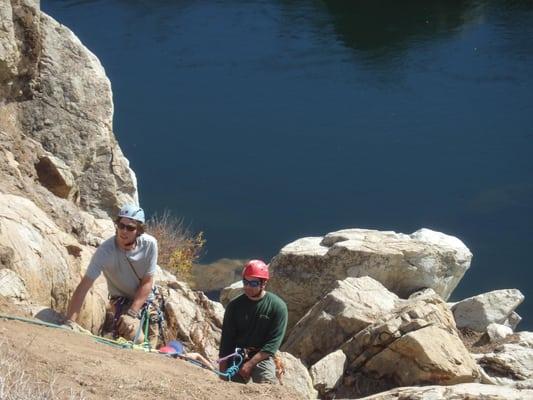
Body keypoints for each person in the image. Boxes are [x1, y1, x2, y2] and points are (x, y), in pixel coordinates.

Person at [64, 204, 163, 347]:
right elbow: (84, 285)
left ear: (139, 230)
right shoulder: (105, 251)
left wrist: (132, 313)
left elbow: (147, 282)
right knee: (138, 341)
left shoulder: (149, 245)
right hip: (121, 301)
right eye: (121, 225)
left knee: (153, 346)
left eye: (130, 228)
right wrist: (69, 322)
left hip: (145, 300)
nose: (124, 231)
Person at [218, 259, 288, 384]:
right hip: (238, 353)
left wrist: (250, 364)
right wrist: (222, 373)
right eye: (246, 282)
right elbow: (227, 339)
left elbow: (273, 344)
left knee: (266, 386)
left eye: (254, 283)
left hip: (262, 356)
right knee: (232, 386)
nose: (248, 287)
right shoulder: (234, 306)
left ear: (263, 283)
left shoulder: (277, 307)